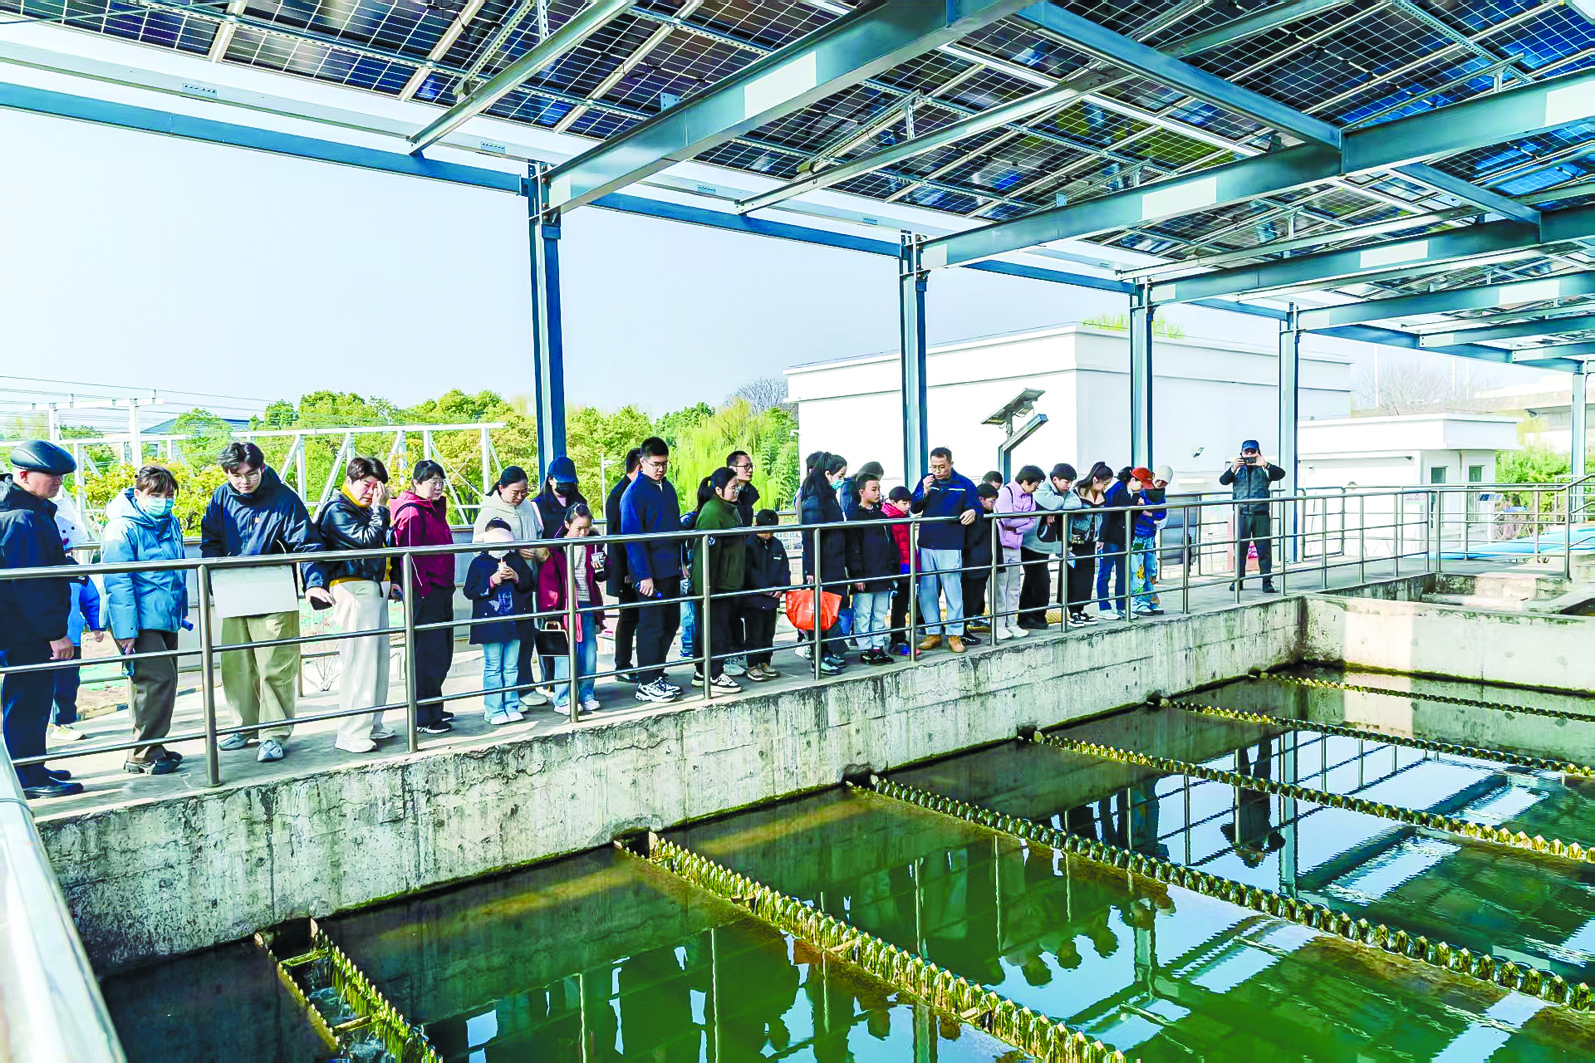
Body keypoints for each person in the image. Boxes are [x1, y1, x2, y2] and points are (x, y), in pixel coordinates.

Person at [201, 441, 327, 763]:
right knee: (236, 664)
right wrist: (214, 582)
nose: (244, 481)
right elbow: (210, 541)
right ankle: (244, 725)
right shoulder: (221, 498)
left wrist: (314, 582)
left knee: (275, 665)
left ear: (262, 468)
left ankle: (273, 733)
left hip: (274, 587)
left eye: (250, 474)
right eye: (236, 475)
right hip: (234, 588)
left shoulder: (283, 498)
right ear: (226, 473)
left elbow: (307, 543)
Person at [0, 441, 85, 798]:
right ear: (23, 475)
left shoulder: (27, 510)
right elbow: (32, 584)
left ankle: (31, 765)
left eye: (61, 477)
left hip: (21, 626)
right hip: (25, 630)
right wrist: (55, 633)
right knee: (28, 700)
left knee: (28, 698)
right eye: (51, 476)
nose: (58, 482)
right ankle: (28, 776)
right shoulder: (23, 518)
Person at [102, 464, 188, 776]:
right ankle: (142, 752)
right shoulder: (121, 528)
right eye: (155, 495)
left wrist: (180, 610)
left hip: (166, 614)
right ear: (138, 494)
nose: (163, 501)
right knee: (155, 680)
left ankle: (154, 745)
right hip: (138, 619)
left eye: (168, 495)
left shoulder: (170, 522)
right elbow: (117, 582)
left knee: (164, 682)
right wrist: (127, 630)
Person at [312, 456, 400, 754]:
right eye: (366, 485)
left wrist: (392, 578)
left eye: (377, 486)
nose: (372, 492)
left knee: (377, 661)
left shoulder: (365, 510)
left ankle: (372, 723)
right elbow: (367, 541)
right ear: (349, 481)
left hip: (374, 587)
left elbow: (385, 545)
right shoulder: (337, 509)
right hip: (352, 588)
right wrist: (380, 510)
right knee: (360, 663)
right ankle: (351, 731)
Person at [393, 460, 458, 734]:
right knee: (427, 654)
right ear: (416, 484)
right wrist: (425, 589)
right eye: (432, 481)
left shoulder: (434, 510)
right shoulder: (412, 513)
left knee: (441, 652)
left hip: (442, 589)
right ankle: (423, 715)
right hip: (426, 592)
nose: (438, 486)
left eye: (441, 481)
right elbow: (409, 557)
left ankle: (433, 705)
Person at [621, 437, 685, 704]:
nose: (660, 469)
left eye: (664, 464)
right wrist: (643, 575)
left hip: (670, 569)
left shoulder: (667, 488)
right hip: (650, 574)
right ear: (643, 462)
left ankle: (657, 674)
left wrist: (682, 562)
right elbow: (633, 538)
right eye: (656, 464)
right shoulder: (634, 494)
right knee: (651, 625)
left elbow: (675, 528)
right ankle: (646, 681)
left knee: (670, 622)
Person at [538, 503, 606, 715]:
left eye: (587, 528)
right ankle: (563, 698)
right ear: (567, 525)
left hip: (587, 602)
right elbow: (548, 582)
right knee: (566, 655)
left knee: (588, 653)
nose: (583, 533)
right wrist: (552, 611)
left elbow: (603, 575)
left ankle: (586, 694)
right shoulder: (556, 549)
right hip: (565, 606)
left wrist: (601, 568)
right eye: (579, 528)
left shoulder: (593, 545)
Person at [463, 521, 533, 726]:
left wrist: (517, 577)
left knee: (511, 667)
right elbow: (469, 591)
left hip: (514, 623)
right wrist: (492, 581)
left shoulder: (516, 560)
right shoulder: (478, 563)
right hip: (490, 625)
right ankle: (493, 708)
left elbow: (530, 584)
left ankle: (511, 705)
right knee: (493, 666)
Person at [910, 447, 978, 654]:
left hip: (950, 543)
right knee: (927, 590)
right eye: (934, 467)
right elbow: (914, 507)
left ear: (951, 464)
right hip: (926, 542)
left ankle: (955, 634)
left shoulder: (964, 484)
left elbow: (975, 506)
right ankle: (933, 633)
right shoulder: (926, 481)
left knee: (953, 590)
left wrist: (973, 511)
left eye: (942, 467)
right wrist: (924, 491)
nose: (938, 471)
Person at [689, 469, 746, 692]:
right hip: (716, 584)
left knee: (715, 628)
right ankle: (712, 674)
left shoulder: (730, 509)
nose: (737, 491)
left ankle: (702, 672)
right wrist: (705, 588)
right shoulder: (713, 512)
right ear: (719, 490)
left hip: (727, 581)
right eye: (733, 487)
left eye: (737, 487)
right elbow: (705, 555)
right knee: (715, 630)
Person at [799, 453, 849, 675]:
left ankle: (827, 652)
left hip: (833, 561)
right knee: (820, 611)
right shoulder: (815, 497)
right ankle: (819, 656)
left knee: (829, 610)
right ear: (828, 474)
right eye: (840, 475)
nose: (842, 480)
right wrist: (812, 569)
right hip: (822, 564)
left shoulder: (827, 495)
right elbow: (811, 536)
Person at [1220, 440, 1287, 593]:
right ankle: (1238, 581)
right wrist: (1233, 468)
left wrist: (1265, 464)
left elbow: (1281, 474)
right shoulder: (1237, 470)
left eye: (1253, 452)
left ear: (1258, 453)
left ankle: (1266, 582)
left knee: (1264, 550)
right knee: (1240, 550)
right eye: (1247, 452)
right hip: (1242, 514)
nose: (1250, 455)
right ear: (1241, 454)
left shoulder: (1264, 468)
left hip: (1261, 514)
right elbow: (1223, 481)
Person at [844, 472, 896, 664]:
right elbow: (852, 549)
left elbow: (891, 545)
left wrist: (892, 570)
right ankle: (865, 647)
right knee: (863, 613)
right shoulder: (855, 517)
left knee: (880, 613)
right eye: (873, 489)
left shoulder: (882, 516)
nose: (877, 493)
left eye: (878, 489)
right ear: (861, 492)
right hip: (865, 573)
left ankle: (877, 645)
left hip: (883, 572)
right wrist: (857, 575)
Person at [49, 568, 102, 742]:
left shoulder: (77, 572)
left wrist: (96, 625)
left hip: (71, 639)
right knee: (38, 684)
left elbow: (91, 600)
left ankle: (61, 724)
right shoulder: (35, 562)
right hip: (40, 638)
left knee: (67, 682)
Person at [604, 449, 643, 683]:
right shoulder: (619, 495)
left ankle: (639, 663)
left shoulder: (634, 491)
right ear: (639, 467)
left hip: (638, 566)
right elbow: (616, 537)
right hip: (628, 570)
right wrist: (626, 570)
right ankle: (623, 664)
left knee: (638, 616)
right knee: (628, 617)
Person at [1020, 464, 1073, 630]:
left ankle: (1029, 617)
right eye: (1066, 482)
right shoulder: (1043, 489)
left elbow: (1075, 503)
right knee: (1040, 581)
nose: (1069, 486)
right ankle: (1034, 617)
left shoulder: (1059, 492)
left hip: (1042, 544)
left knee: (1033, 581)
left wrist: (1055, 508)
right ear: (1055, 479)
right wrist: (1057, 505)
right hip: (1031, 543)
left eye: (1071, 482)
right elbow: (1051, 503)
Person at [993, 466, 1043, 641]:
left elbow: (1033, 520)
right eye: (1035, 484)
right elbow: (1005, 519)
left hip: (1016, 544)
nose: (1036, 487)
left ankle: (1011, 622)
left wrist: (1017, 525)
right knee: (1000, 586)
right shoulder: (1006, 492)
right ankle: (998, 624)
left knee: (1014, 586)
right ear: (1025, 481)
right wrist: (1023, 519)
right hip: (1001, 545)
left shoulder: (1030, 497)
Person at [741, 509, 788, 681]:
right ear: (756, 526)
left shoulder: (777, 545)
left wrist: (782, 587)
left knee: (768, 632)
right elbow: (748, 572)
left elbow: (784, 568)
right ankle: (752, 664)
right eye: (765, 530)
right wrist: (764, 588)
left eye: (772, 531)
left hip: (772, 599)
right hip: (754, 599)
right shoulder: (748, 544)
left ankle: (765, 661)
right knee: (754, 632)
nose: (768, 535)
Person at [1066, 464, 1113, 627]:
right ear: (1095, 479)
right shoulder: (1076, 492)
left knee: (1087, 577)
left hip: (1091, 540)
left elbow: (1103, 517)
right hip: (1075, 541)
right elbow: (1068, 517)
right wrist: (1066, 542)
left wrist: (1100, 537)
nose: (1105, 487)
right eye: (1104, 483)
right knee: (1074, 576)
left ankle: (1081, 609)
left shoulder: (1101, 495)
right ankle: (1073, 611)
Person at [1096, 468, 1144, 619]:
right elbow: (1107, 514)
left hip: (1124, 538)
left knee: (1123, 574)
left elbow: (1132, 517)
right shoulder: (1117, 490)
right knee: (1105, 572)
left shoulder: (1134, 493)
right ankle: (1104, 608)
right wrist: (1101, 538)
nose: (1143, 486)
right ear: (1132, 480)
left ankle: (1121, 606)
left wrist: (1139, 507)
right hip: (1111, 537)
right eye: (1141, 482)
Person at [961, 482, 1000, 642]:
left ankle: (963, 629)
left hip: (981, 564)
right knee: (968, 600)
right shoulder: (975, 518)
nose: (994, 505)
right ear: (981, 499)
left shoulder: (987, 517)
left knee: (973, 599)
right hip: (973, 565)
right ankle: (961, 631)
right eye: (992, 501)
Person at [1129, 465, 1170, 616]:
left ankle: (1151, 599)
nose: (1160, 484)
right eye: (1159, 480)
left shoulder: (1161, 494)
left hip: (1150, 535)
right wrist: (1151, 515)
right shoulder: (1142, 490)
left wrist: (1148, 513)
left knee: (1151, 568)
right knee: (1137, 569)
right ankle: (1138, 601)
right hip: (1137, 536)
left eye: (1164, 482)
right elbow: (1137, 513)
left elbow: (1161, 514)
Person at [881, 486, 913, 655]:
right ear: (893, 503)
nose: (908, 507)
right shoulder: (891, 519)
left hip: (905, 565)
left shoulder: (902, 517)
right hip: (898, 567)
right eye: (904, 503)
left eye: (909, 503)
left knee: (902, 604)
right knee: (898, 605)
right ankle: (896, 639)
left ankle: (898, 637)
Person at [727, 450, 759, 526]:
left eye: (751, 466)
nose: (750, 470)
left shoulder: (750, 493)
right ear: (732, 468)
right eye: (746, 466)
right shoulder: (725, 495)